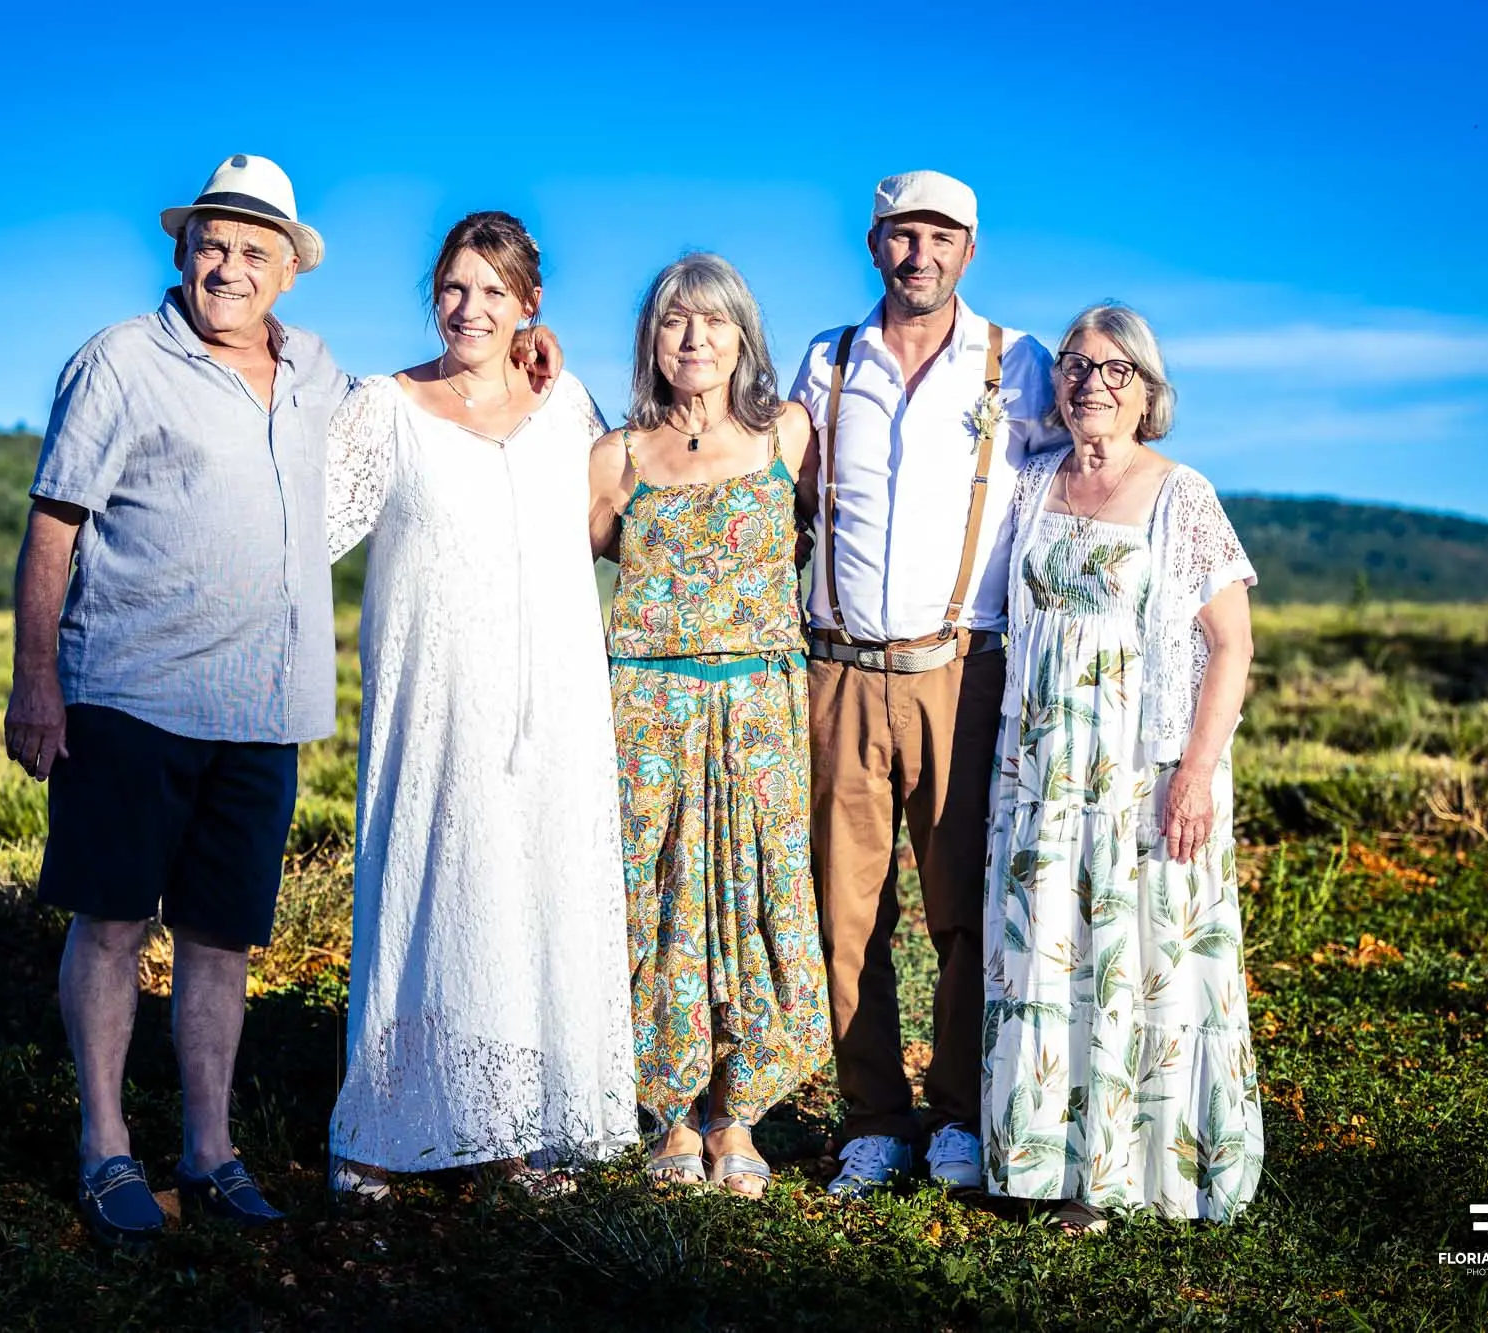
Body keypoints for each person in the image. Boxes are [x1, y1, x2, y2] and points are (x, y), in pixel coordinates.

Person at [4, 159, 556, 1244]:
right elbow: (53, 525)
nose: (229, 267)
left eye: (255, 251)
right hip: (128, 694)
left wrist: (532, 347)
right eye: (212, 245)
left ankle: (210, 1153)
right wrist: (36, 682)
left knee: (221, 939)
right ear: (182, 252)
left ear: (288, 271)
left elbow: (425, 407)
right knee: (111, 924)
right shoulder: (120, 361)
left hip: (263, 709)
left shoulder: (316, 371)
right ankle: (105, 1149)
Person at [323, 212, 637, 1200]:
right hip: (435, 699)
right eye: (455, 287)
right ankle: (382, 1129)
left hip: (554, 704)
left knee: (531, 894)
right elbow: (307, 527)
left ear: (527, 304)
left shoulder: (565, 400)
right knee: (428, 888)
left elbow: (608, 521)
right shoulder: (384, 406)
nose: (470, 308)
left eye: (494, 291)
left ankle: (516, 1129)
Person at [791, 171, 1070, 1197]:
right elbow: (781, 490)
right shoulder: (825, 360)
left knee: (962, 909)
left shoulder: (1018, 362)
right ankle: (873, 1118)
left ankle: (955, 1113)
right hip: (838, 669)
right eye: (903, 236)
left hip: (961, 671)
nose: (921, 255)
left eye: (941, 238)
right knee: (845, 912)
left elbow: (1082, 474)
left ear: (969, 250)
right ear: (873, 245)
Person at [982, 302, 1263, 1232]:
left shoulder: (1184, 495)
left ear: (1148, 393)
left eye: (1115, 370)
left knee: (1135, 955)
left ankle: (1125, 1173)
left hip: (1141, 767)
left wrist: (1195, 772)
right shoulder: (1032, 484)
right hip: (1042, 768)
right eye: (1075, 363)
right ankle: (1040, 1157)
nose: (1090, 382)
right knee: (1046, 947)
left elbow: (1231, 645)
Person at [585, 254, 830, 1198]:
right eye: (675, 321)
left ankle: (737, 1113)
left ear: (743, 338)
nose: (694, 339)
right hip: (649, 712)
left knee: (756, 900)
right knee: (657, 902)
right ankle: (672, 1113)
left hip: (759, 709)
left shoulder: (787, 436)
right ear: (651, 339)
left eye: (715, 321)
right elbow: (552, 573)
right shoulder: (616, 455)